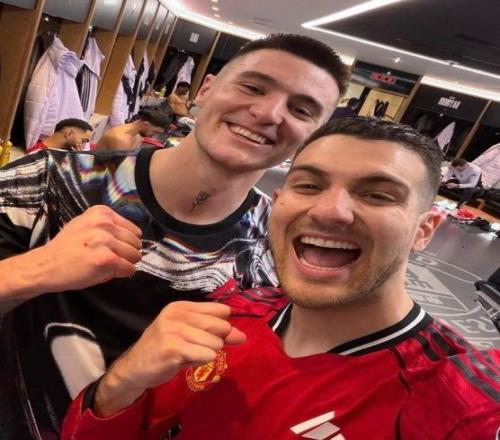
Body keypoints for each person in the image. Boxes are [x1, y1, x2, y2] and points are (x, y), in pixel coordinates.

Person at [62, 117, 500, 439]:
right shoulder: (227, 312)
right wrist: (120, 383)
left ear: (424, 229)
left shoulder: (452, 400)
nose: (329, 211)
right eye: (308, 185)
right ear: (278, 202)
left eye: (377, 194)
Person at [0, 33, 348, 438]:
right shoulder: (49, 179)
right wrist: (35, 270)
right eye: (253, 87)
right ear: (207, 88)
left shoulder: (283, 252)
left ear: (313, 136)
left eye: (301, 109)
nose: (269, 113)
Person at [96, 108, 171, 151]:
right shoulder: (120, 139)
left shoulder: (138, 136)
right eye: (155, 132)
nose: (153, 136)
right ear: (145, 124)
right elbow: (118, 169)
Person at [27, 118, 94, 154]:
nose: (82, 147)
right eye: (83, 141)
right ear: (69, 134)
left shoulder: (60, 154)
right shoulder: (38, 153)